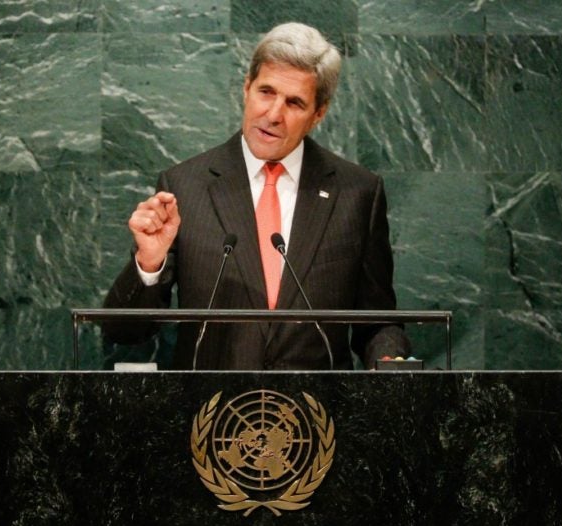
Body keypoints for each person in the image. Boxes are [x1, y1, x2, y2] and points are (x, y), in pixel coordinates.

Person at [103, 22, 409, 370]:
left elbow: (377, 322)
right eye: (266, 92)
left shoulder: (357, 194)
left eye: (294, 102)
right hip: (214, 402)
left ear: (318, 113)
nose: (274, 115)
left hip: (316, 403)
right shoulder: (184, 186)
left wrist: (391, 362)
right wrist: (149, 264)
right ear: (246, 88)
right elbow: (124, 332)